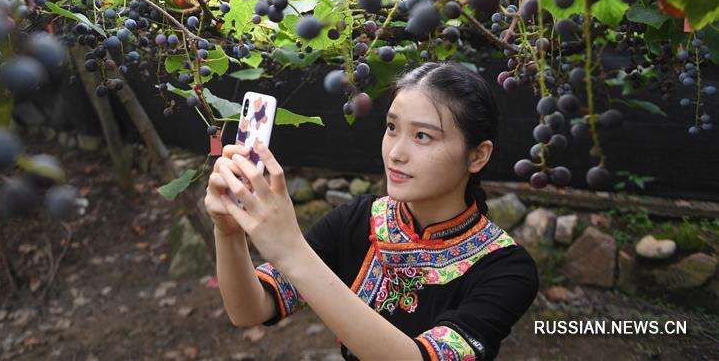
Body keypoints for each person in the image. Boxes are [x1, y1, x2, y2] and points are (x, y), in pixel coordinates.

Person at [204, 61, 539, 360]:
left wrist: (291, 249)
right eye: (392, 128)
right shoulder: (358, 220)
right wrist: (228, 232)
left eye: (422, 136)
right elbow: (251, 310)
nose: (395, 153)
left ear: (477, 156)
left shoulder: (507, 269)